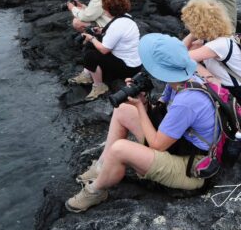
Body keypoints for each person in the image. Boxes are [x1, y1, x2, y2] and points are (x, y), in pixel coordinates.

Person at [65, 33, 218, 213]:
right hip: (180, 146)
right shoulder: (183, 80)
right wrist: (143, 101)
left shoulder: (187, 101)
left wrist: (138, 106)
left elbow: (157, 145)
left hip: (192, 168)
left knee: (120, 149)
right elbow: (161, 110)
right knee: (122, 110)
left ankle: (96, 190)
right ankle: (102, 167)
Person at [68, 0, 142, 101]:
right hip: (133, 62)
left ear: (108, 9)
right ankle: (87, 74)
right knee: (92, 45)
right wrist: (101, 31)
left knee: (90, 54)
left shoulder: (117, 25)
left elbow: (104, 50)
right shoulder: (126, 17)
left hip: (128, 68)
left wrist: (92, 38)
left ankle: (99, 86)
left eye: (104, 7)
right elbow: (115, 35)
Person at [181, 0, 241, 102]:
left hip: (236, 91)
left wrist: (192, 34)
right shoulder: (214, 39)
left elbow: (180, 57)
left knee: (189, 62)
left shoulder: (218, 45)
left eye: (189, 23)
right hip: (228, 87)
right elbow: (181, 50)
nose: (187, 26)